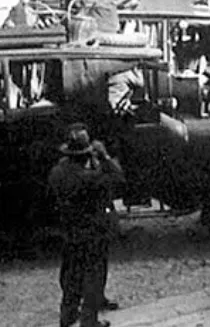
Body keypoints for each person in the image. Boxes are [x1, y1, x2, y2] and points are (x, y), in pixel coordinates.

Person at [49, 123, 125, 327]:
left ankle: (67, 318)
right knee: (93, 278)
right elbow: (118, 179)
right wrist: (105, 157)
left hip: (70, 232)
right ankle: (89, 321)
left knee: (71, 278)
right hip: (92, 234)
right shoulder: (91, 178)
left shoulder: (57, 173)